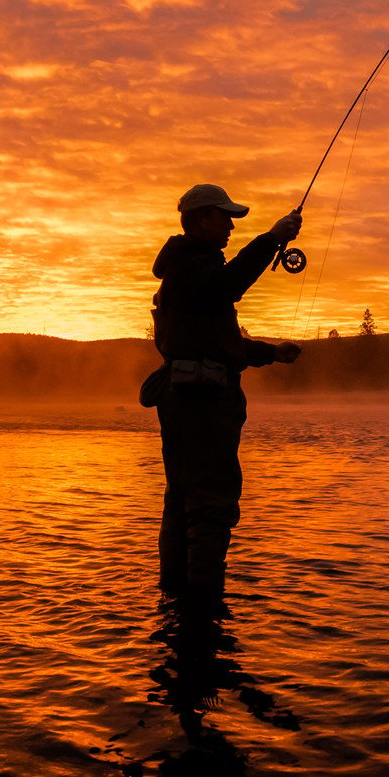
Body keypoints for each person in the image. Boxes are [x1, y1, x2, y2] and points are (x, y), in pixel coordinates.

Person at [145, 184, 303, 602]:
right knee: (211, 506)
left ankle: (176, 605)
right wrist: (272, 239)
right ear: (200, 220)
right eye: (224, 217)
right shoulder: (194, 269)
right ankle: (202, 616)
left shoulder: (190, 271)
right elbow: (228, 284)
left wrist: (271, 353)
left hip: (186, 399)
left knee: (183, 501)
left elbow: (216, 343)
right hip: (200, 405)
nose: (231, 225)